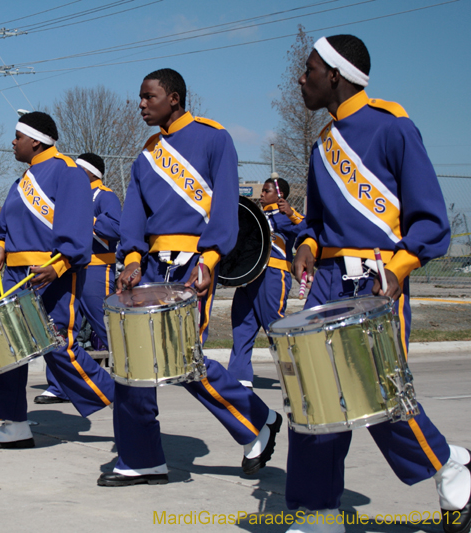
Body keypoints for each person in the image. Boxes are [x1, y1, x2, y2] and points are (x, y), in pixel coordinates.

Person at [287, 35, 470, 533]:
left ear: (337, 75)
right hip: (327, 282)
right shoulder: (321, 143)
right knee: (313, 397)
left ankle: (448, 463)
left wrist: (400, 268)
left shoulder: (394, 127)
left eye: (309, 69)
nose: (301, 78)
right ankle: (317, 512)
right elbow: (317, 222)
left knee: (381, 400)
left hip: (377, 282)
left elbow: (431, 220)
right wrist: (306, 242)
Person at [100, 68, 282, 487]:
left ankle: (258, 420)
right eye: (140, 97)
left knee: (182, 359)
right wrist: (130, 257)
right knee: (132, 362)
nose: (141, 104)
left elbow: (224, 208)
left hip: (192, 264)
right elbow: (134, 215)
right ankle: (141, 457)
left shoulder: (214, 137)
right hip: (150, 267)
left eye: (149, 97)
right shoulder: (146, 153)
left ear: (175, 98)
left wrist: (211, 258)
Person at [0, 112, 115, 449]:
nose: (12, 142)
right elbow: (5, 226)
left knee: (59, 348)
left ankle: (124, 399)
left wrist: (61, 264)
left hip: (51, 275)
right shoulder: (22, 180)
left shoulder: (68, 173)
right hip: (14, 278)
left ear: (35, 140)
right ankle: (14, 425)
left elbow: (77, 228)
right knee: (10, 351)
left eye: (17, 136)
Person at [35, 152, 121, 405]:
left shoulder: (104, 195)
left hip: (96, 268)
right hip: (69, 268)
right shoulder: (69, 195)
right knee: (58, 327)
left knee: (105, 325)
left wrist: (86, 218)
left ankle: (131, 375)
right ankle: (59, 386)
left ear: (91, 172)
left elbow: (116, 227)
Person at [226, 177, 303, 388]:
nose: (262, 195)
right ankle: (239, 376)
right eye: (262, 191)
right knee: (242, 324)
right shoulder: (252, 215)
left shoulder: (285, 216)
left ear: (280, 195)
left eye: (267, 191)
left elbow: (308, 230)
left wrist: (291, 213)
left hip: (273, 275)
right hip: (249, 275)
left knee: (274, 325)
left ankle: (296, 375)